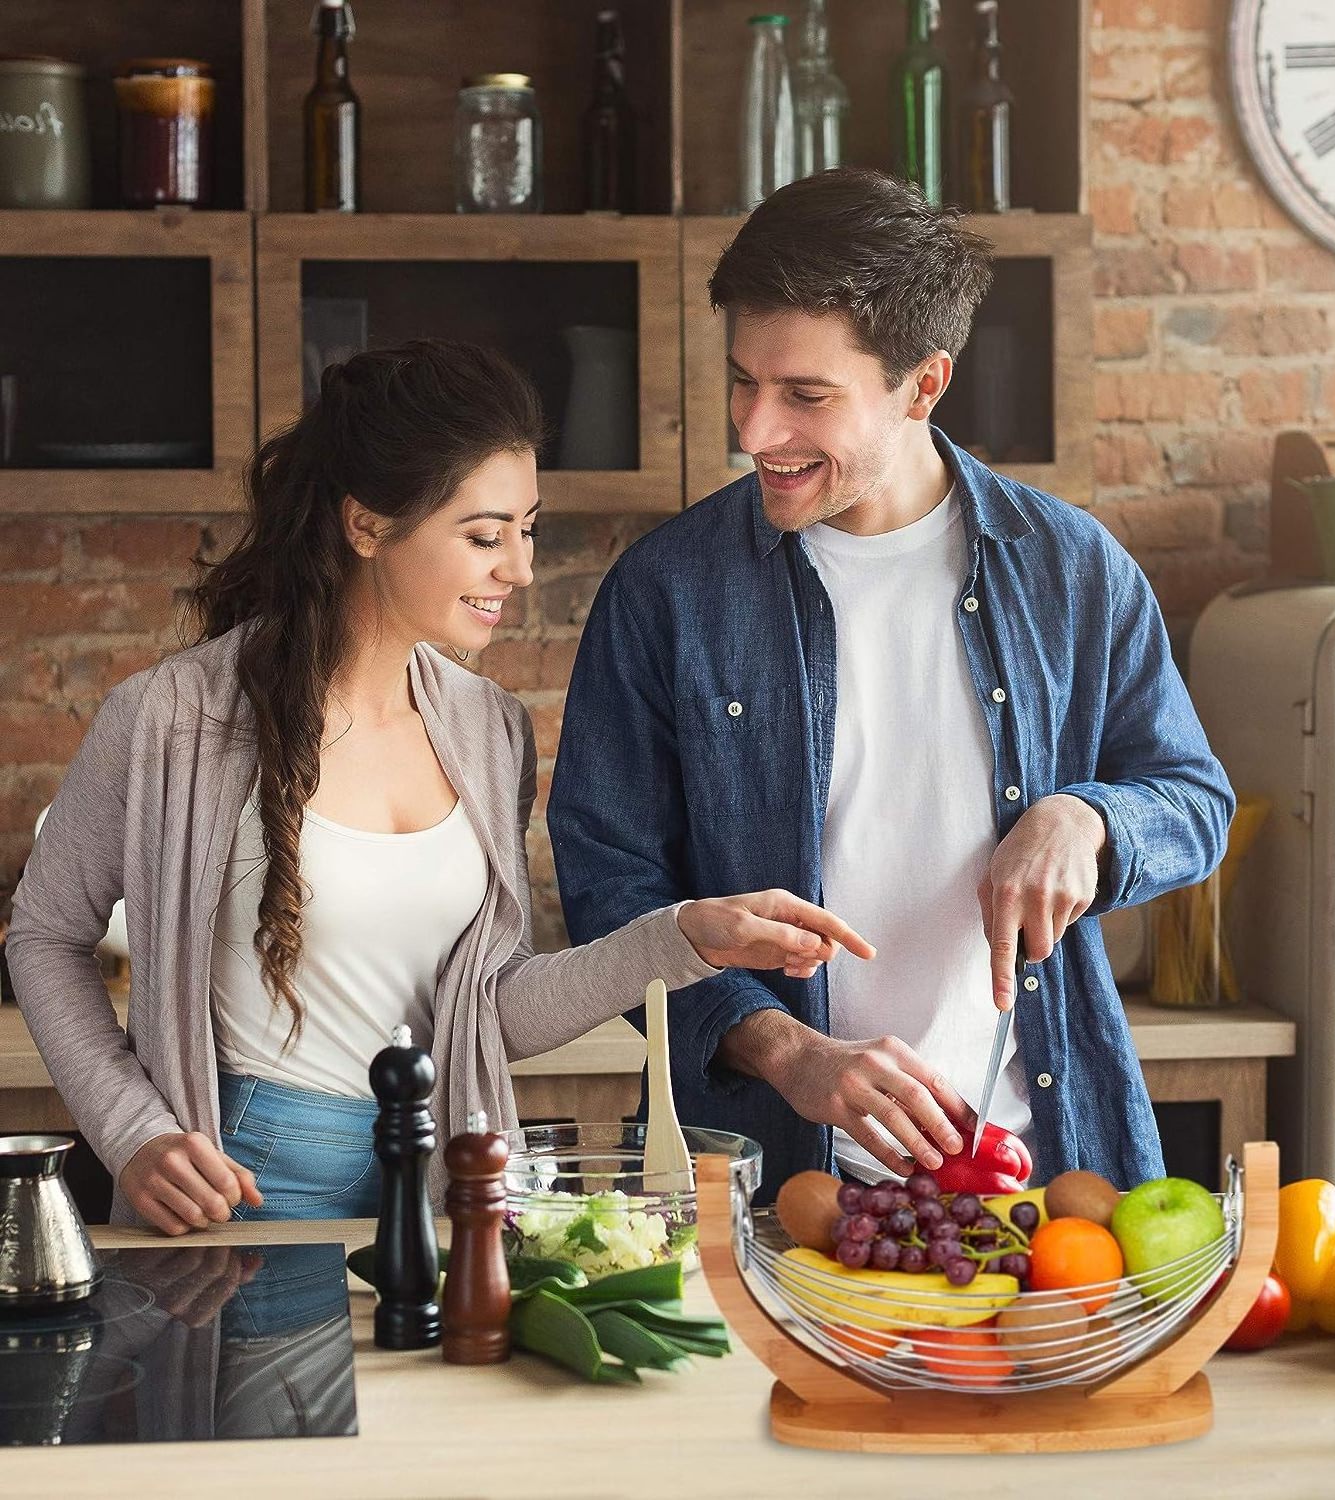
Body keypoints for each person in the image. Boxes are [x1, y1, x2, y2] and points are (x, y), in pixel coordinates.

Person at [7, 340, 869, 1235]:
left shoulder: (488, 728)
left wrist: (683, 937)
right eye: (485, 535)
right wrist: (133, 1130)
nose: (520, 569)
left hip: (449, 1178)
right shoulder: (171, 719)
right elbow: (45, 935)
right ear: (368, 525)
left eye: (526, 530)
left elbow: (487, 1012)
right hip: (248, 1179)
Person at [548, 169, 1235, 1200]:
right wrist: (784, 1051)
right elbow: (611, 890)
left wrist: (1086, 822)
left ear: (924, 385)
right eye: (744, 380)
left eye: (806, 397)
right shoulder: (667, 593)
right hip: (766, 1188)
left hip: (1040, 1178)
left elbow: (1193, 800)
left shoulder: (1073, 572)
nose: (755, 431)